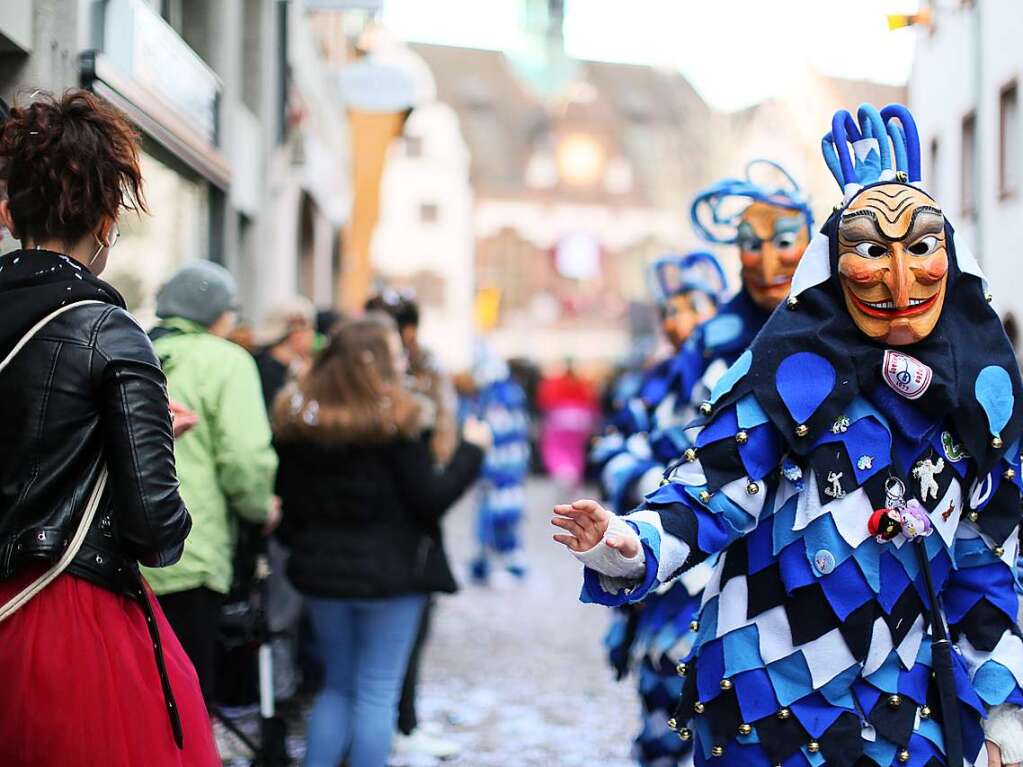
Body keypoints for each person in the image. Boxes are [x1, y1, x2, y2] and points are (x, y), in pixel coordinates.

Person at [555, 104, 1023, 767]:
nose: (898, 278)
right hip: (768, 701)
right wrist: (631, 541)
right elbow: (708, 491)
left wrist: (1001, 714)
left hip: (902, 712)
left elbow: (987, 564)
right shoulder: (786, 381)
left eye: (919, 248)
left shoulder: (975, 408)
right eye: (870, 251)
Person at [0, 89, 218, 765]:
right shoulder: (111, 333)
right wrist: (152, 445)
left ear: (9, 214)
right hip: (67, 623)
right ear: (102, 221)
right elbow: (157, 533)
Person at [272, 313, 489, 767]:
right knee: (377, 692)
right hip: (393, 576)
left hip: (323, 574)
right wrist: (472, 451)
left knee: (337, 687)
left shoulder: (301, 425)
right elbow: (430, 499)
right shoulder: (399, 423)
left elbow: (290, 507)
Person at [143, 261, 280, 705]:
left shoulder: (136, 346)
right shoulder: (228, 360)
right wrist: (261, 510)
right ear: (218, 313)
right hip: (192, 549)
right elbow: (245, 458)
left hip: (126, 548)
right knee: (187, 694)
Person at [366, 289, 463, 759]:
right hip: (367, 517)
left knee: (410, 628)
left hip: (412, 513)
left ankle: (403, 722)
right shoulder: (350, 366)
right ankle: (380, 729)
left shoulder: (425, 373)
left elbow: (444, 436)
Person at [467, 343, 532, 584]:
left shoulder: (502, 396)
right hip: (497, 469)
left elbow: (501, 432)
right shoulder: (497, 394)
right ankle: (483, 562)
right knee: (490, 515)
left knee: (504, 515)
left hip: (503, 469)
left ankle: (513, 562)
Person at [537, 359, 599, 488]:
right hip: (581, 419)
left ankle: (562, 472)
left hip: (559, 418)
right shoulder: (583, 383)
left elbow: (545, 400)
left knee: (556, 448)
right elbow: (592, 402)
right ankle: (574, 473)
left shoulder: (555, 383)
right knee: (576, 449)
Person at [255, 296, 317, 409]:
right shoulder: (269, 374)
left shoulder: (257, 364)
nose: (313, 334)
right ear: (296, 333)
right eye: (310, 328)